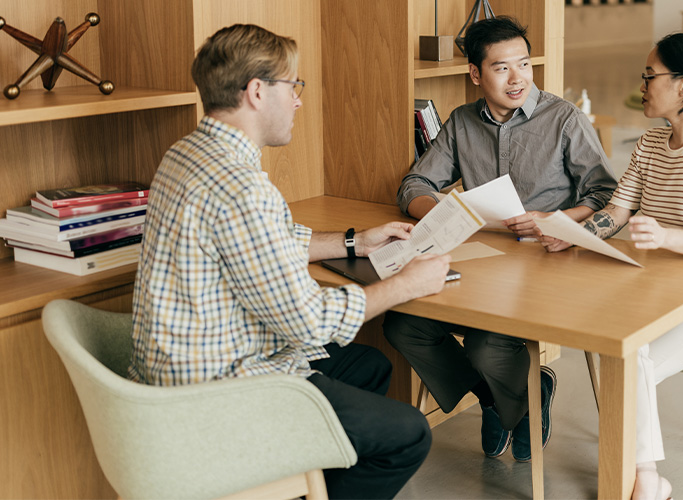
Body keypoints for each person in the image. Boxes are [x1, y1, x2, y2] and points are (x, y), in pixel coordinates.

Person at [129, 24, 452, 499]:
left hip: (173, 372)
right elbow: (308, 321)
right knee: (406, 434)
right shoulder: (242, 186)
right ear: (257, 92)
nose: (299, 100)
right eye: (293, 86)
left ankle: (299, 485)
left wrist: (353, 241)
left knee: (367, 366)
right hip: (215, 392)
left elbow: (262, 243)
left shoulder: (188, 153)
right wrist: (411, 283)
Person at [387, 16, 618, 463]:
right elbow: (413, 185)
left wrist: (555, 219)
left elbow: (604, 193)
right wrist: (452, 213)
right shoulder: (460, 123)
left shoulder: (563, 118)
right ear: (475, 74)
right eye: (501, 68)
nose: (518, 79)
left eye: (524, 65)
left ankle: (516, 399)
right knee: (403, 325)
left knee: (485, 345)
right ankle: (505, 400)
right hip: (481, 259)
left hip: (547, 260)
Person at [541, 33, 683, 500]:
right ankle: (647, 478)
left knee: (627, 356)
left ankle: (643, 482)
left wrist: (666, 237)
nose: (641, 85)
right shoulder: (651, 143)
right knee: (619, 343)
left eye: (649, 76)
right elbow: (617, 211)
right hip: (656, 290)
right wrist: (576, 234)